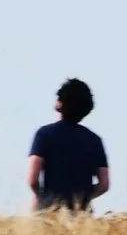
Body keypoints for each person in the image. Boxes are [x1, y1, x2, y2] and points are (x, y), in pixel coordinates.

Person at [28, 79, 111, 213]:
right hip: (82, 219)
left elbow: (32, 179)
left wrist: (42, 197)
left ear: (59, 103)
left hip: (48, 214)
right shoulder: (95, 140)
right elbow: (104, 185)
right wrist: (83, 198)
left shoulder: (44, 134)